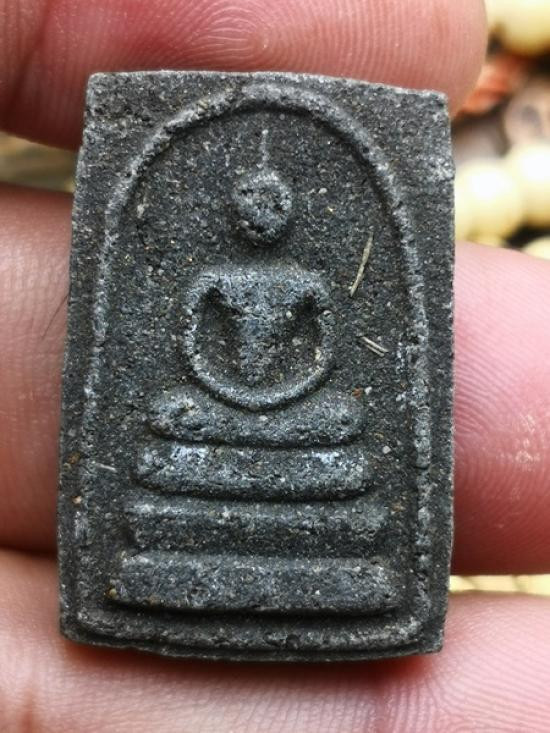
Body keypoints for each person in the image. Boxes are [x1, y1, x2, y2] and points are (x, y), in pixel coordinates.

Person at [0, 1, 549, 730]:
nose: (261, 219)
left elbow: (322, 358)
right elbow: (192, 353)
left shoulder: (307, 283)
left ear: (286, 215)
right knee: (170, 415)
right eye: (251, 208)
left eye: (273, 208)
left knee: (341, 420)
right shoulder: (213, 279)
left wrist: (279, 399)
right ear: (237, 216)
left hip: (296, 408)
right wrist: (233, 395)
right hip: (218, 404)